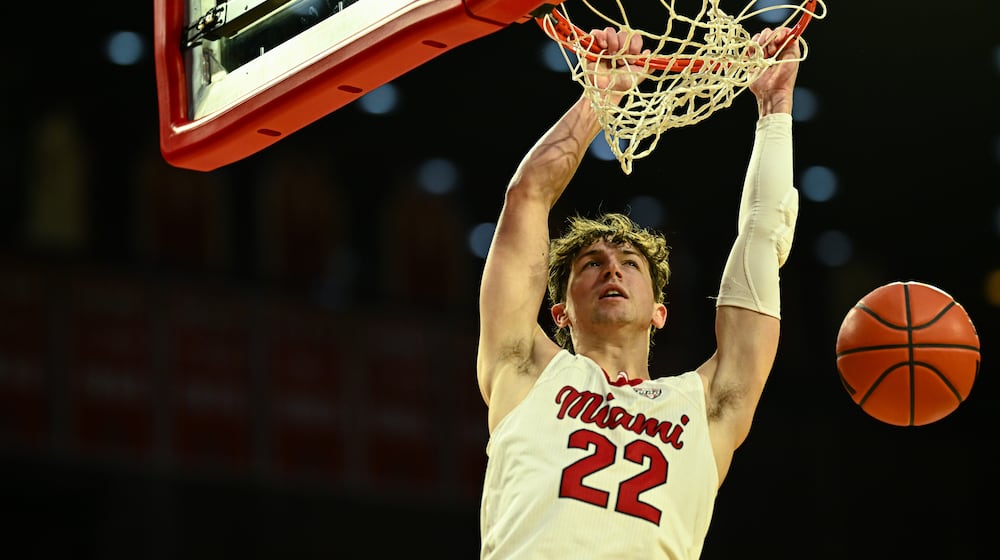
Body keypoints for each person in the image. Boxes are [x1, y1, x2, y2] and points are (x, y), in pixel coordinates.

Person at [476, 24, 802, 559]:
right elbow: (527, 197)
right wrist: (597, 101)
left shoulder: (705, 406)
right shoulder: (525, 369)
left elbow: (763, 238)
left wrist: (776, 110)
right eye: (591, 264)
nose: (612, 270)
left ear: (659, 312)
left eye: (630, 263)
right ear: (560, 311)